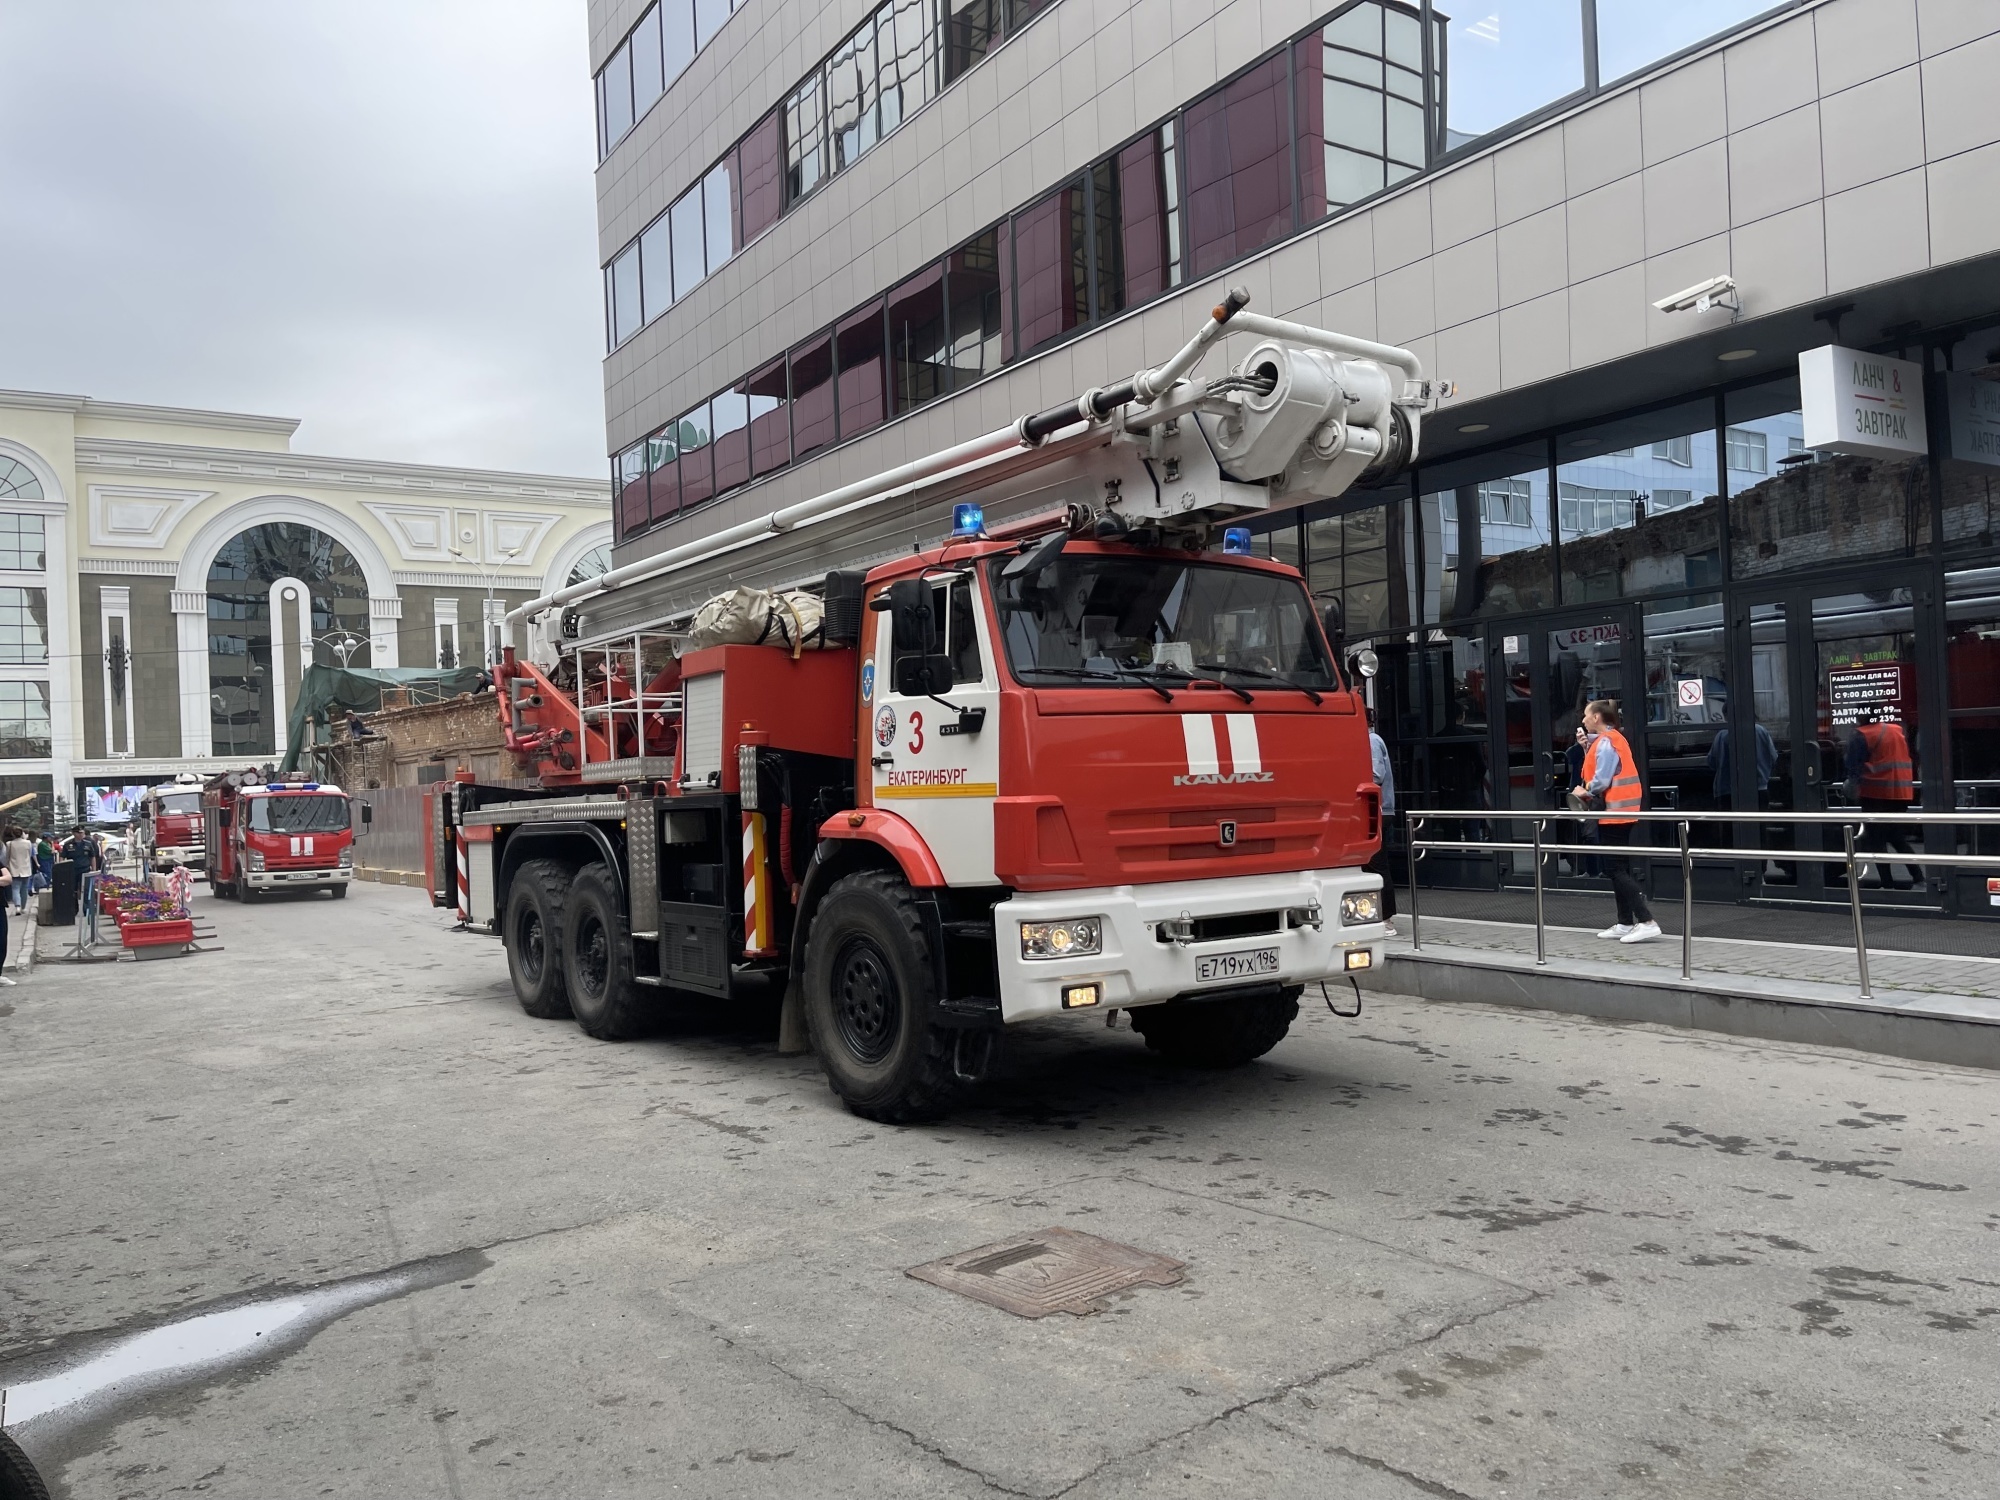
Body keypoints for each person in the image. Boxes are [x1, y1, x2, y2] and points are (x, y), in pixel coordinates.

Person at [1581, 699, 1660, 943]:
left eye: (1586, 715)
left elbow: (1601, 780)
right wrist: (1585, 748)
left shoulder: (1606, 743)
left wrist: (1582, 791)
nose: (1582, 720)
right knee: (1618, 868)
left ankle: (1646, 921)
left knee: (1613, 868)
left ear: (1597, 717)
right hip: (1623, 810)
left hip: (1614, 812)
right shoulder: (1615, 738)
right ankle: (1625, 922)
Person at [1845, 709, 1920, 889]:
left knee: (1876, 840)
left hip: (1875, 794)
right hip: (1901, 793)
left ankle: (1887, 883)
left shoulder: (1862, 735)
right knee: (1896, 837)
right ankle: (1918, 877)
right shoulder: (1896, 730)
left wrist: (1850, 788)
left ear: (1862, 716)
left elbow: (1853, 767)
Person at [1366, 707, 1398, 936]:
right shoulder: (1372, 740)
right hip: (1378, 809)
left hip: (1378, 810)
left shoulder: (1371, 741)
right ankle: (1378, 915)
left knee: (1377, 862)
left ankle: (1386, 918)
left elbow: (1375, 775)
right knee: (1372, 862)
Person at [1562, 724, 1600, 878]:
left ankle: (1595, 870)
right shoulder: (1578, 748)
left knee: (1592, 833)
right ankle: (1582, 868)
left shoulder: (1601, 744)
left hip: (1593, 793)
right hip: (1578, 791)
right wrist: (1580, 745)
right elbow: (1569, 756)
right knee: (1579, 832)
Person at [4, 826, 32, 913]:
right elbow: (29, 854)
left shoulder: (9, 844)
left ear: (13, 834)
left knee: (15, 888)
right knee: (24, 888)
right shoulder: (28, 843)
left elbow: (7, 856)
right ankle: (23, 907)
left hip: (14, 868)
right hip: (26, 868)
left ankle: (17, 907)